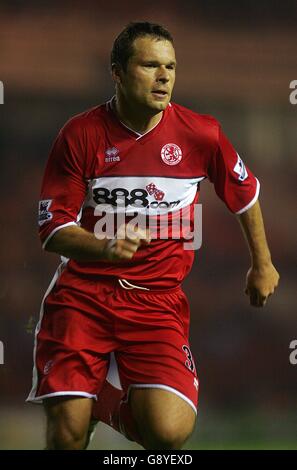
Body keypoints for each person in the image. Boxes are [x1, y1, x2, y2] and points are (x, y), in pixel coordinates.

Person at [27, 21, 280, 450]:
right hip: (82, 297)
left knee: (168, 435)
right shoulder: (80, 135)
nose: (164, 76)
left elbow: (244, 194)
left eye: (170, 67)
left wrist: (263, 263)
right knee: (66, 436)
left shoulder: (201, 134)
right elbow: (52, 228)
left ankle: (99, 402)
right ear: (118, 72)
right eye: (149, 65)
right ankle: (78, 405)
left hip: (156, 302)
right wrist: (104, 248)